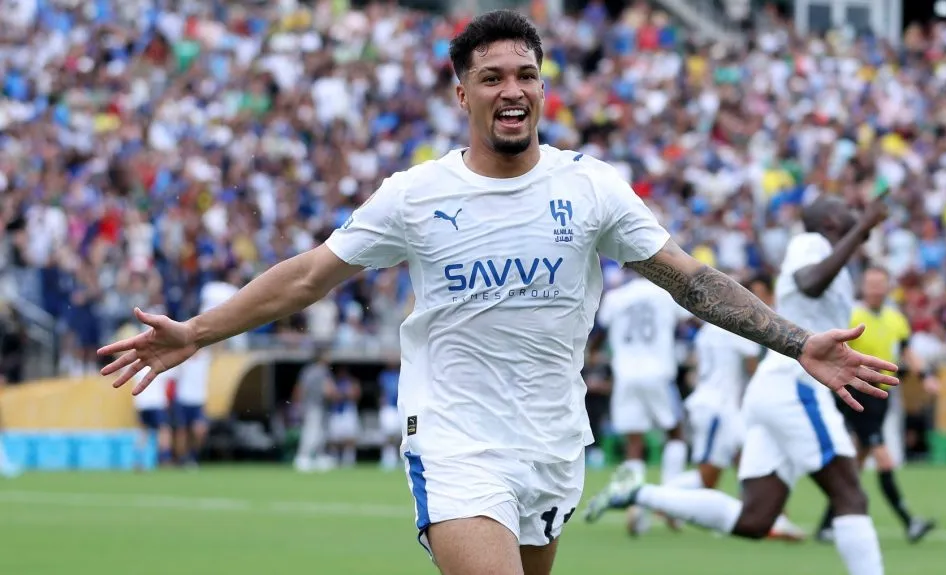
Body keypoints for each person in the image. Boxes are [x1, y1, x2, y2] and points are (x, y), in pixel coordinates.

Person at [97, 11, 897, 575]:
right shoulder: (415, 194)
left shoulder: (590, 187)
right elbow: (309, 274)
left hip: (552, 439)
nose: (511, 90)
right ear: (463, 94)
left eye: (525, 75)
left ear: (542, 86)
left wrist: (798, 340)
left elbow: (692, 279)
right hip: (454, 436)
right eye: (491, 78)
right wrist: (198, 331)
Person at [585, 195, 892, 575]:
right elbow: (808, 282)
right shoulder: (810, 243)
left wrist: (861, 234)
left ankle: (638, 493)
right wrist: (862, 227)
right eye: (848, 209)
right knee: (849, 494)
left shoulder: (833, 251)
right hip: (795, 386)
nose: (855, 211)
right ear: (831, 220)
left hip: (773, 390)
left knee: (755, 519)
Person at [667, 275, 805, 541]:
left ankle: (774, 519)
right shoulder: (739, 322)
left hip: (723, 406)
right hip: (718, 407)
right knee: (708, 479)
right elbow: (754, 370)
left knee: (753, 458)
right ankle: (651, 496)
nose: (761, 302)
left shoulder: (709, 325)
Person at [815, 266, 939, 544]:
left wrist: (926, 377)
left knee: (856, 465)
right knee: (882, 457)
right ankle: (909, 522)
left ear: (887, 286)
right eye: (871, 284)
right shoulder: (853, 316)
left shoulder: (896, 319)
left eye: (880, 284)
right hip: (858, 393)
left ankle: (826, 525)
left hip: (881, 397)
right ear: (864, 287)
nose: (875, 289)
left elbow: (908, 351)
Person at [590, 270, 692, 535]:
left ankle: (636, 503)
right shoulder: (665, 294)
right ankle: (670, 502)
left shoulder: (616, 297)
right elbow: (686, 322)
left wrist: (590, 354)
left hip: (625, 374)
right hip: (659, 372)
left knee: (634, 443)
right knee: (676, 434)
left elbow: (599, 333)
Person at [293, 346, 339, 473]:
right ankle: (303, 458)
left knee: (321, 433)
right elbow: (303, 388)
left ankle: (319, 457)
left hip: (320, 406)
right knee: (311, 432)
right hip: (313, 405)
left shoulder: (317, 370)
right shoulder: (316, 370)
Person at [378, 361, 402, 471]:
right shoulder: (384, 376)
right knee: (388, 434)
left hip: (399, 407)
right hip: (389, 408)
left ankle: (399, 458)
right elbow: (381, 391)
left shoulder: (401, 374)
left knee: (400, 435)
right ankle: (388, 458)